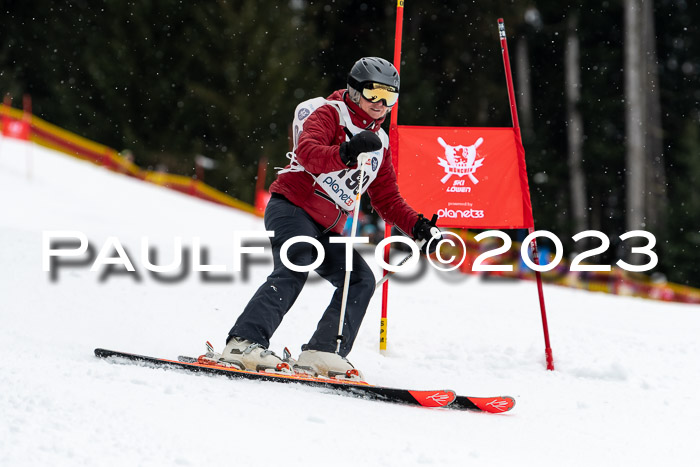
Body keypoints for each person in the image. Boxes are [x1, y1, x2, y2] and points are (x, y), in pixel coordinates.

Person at [221, 57, 440, 380]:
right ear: (353, 91)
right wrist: (346, 152)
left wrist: (418, 227)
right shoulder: (330, 112)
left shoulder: (380, 143)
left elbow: (386, 198)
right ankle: (244, 342)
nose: (380, 104)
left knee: (360, 278)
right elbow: (308, 152)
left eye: (389, 97)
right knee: (298, 262)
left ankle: (323, 351)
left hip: (328, 226)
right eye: (373, 93)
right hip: (293, 206)